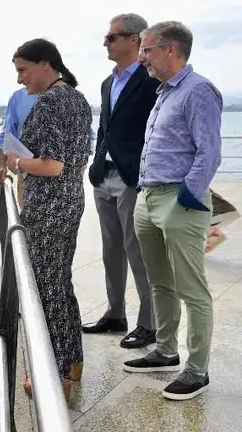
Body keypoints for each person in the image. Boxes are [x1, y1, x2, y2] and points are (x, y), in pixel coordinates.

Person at [124, 21, 222, 401]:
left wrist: (186, 198)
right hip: (147, 197)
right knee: (159, 282)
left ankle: (197, 370)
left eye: (147, 50)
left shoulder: (199, 91)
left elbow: (209, 153)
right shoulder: (164, 92)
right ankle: (166, 350)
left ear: (171, 50)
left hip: (177, 200)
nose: (142, 57)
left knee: (191, 288)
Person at [3, 38, 92, 400]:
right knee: (59, 282)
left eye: (23, 70)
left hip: (49, 207)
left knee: (46, 288)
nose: (20, 79)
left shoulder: (52, 103)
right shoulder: (77, 99)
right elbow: (76, 160)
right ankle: (71, 362)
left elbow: (52, 165)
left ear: (45, 64)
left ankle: (56, 375)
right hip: (70, 199)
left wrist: (17, 163)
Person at [83, 13, 160, 349]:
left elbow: (158, 129)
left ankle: (150, 324)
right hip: (104, 176)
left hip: (132, 178)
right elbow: (105, 128)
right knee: (111, 250)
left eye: (113, 37)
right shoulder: (107, 82)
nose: (106, 43)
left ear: (136, 39)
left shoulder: (151, 80)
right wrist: (96, 162)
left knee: (137, 251)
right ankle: (116, 314)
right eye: (106, 37)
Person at [0, 88, 38, 207]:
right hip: (27, 177)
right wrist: (2, 165)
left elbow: (85, 139)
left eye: (23, 70)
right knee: (26, 223)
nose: (20, 79)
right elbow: (6, 136)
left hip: (65, 182)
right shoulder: (19, 97)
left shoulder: (69, 96)